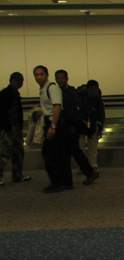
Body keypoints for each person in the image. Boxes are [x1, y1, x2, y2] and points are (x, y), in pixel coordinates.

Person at [55, 70, 98, 186]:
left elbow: (69, 111)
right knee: (72, 151)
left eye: (62, 78)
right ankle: (77, 177)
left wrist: (71, 125)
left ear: (66, 79)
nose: (60, 80)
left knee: (71, 152)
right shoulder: (62, 91)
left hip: (70, 126)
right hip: (68, 126)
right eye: (58, 78)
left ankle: (72, 179)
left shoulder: (68, 92)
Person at [34, 65, 70, 193]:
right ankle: (65, 181)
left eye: (41, 74)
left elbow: (57, 107)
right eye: (36, 75)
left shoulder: (51, 88)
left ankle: (57, 181)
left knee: (48, 153)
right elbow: (50, 108)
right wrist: (42, 112)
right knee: (59, 153)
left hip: (54, 124)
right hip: (51, 122)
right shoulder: (44, 89)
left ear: (47, 75)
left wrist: (53, 126)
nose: (39, 77)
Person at [0, 72, 32, 185]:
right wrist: (6, 127)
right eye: (17, 80)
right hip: (7, 128)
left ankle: (17, 175)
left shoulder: (15, 94)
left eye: (21, 80)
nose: (19, 83)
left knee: (18, 152)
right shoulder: (5, 94)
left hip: (16, 128)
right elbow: (2, 112)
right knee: (4, 153)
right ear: (11, 80)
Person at [78, 80, 105, 170]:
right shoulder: (80, 98)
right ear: (87, 89)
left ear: (98, 89)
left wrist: (100, 128)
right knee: (80, 148)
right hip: (81, 125)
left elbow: (101, 115)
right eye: (91, 90)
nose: (93, 92)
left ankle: (92, 165)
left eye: (95, 90)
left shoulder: (98, 100)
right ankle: (83, 166)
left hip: (92, 125)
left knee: (92, 148)